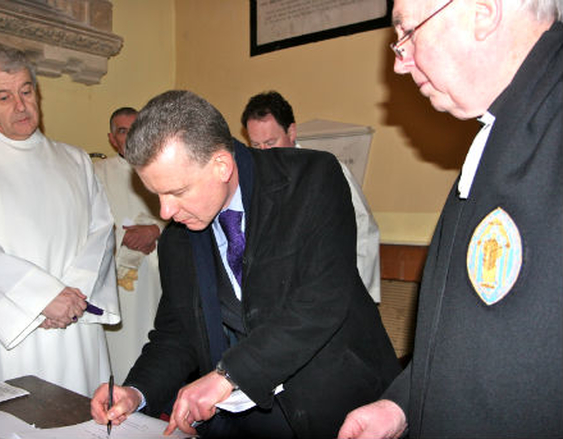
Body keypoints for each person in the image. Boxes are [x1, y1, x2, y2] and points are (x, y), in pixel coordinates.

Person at [90, 90, 401, 438]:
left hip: (342, 406)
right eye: (155, 195)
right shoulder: (179, 237)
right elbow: (176, 333)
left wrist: (227, 376)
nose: (164, 212)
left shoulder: (311, 179)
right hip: (246, 423)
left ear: (221, 166)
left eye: (176, 192)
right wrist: (136, 391)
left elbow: (321, 301)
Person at [338, 0, 562, 437]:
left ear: (483, 11)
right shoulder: (504, 126)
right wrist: (403, 404)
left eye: (408, 33)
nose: (400, 63)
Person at [0, 46, 120, 397]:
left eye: (26, 91)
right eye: (4, 96)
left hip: (72, 324)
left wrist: (71, 299)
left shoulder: (75, 160)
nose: (20, 106)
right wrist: (41, 298)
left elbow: (101, 232)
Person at [241, 91, 381, 303]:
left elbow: (364, 231)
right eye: (256, 145)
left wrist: (355, 293)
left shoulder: (325, 170)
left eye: (270, 143)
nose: (264, 153)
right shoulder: (252, 178)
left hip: (327, 293)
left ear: (292, 131)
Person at [94, 107, 165, 384]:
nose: (131, 135)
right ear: (112, 139)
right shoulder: (96, 172)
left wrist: (155, 229)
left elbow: (185, 216)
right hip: (112, 279)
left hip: (154, 279)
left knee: (153, 341)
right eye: (123, 131)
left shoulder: (163, 168)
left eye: (135, 128)